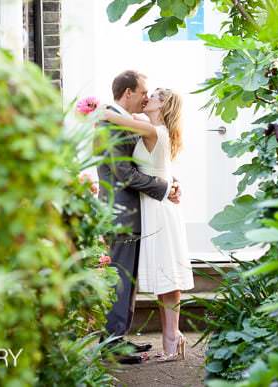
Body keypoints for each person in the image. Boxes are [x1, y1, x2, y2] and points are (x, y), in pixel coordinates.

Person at [101, 87, 194, 362]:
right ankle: (170, 340)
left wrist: (97, 109)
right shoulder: (150, 129)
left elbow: (115, 117)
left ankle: (173, 337)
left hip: (159, 209)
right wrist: (172, 183)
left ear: (163, 106)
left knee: (168, 277)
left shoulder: (155, 131)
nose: (147, 98)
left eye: (153, 96)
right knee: (162, 277)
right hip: (152, 207)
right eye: (146, 92)